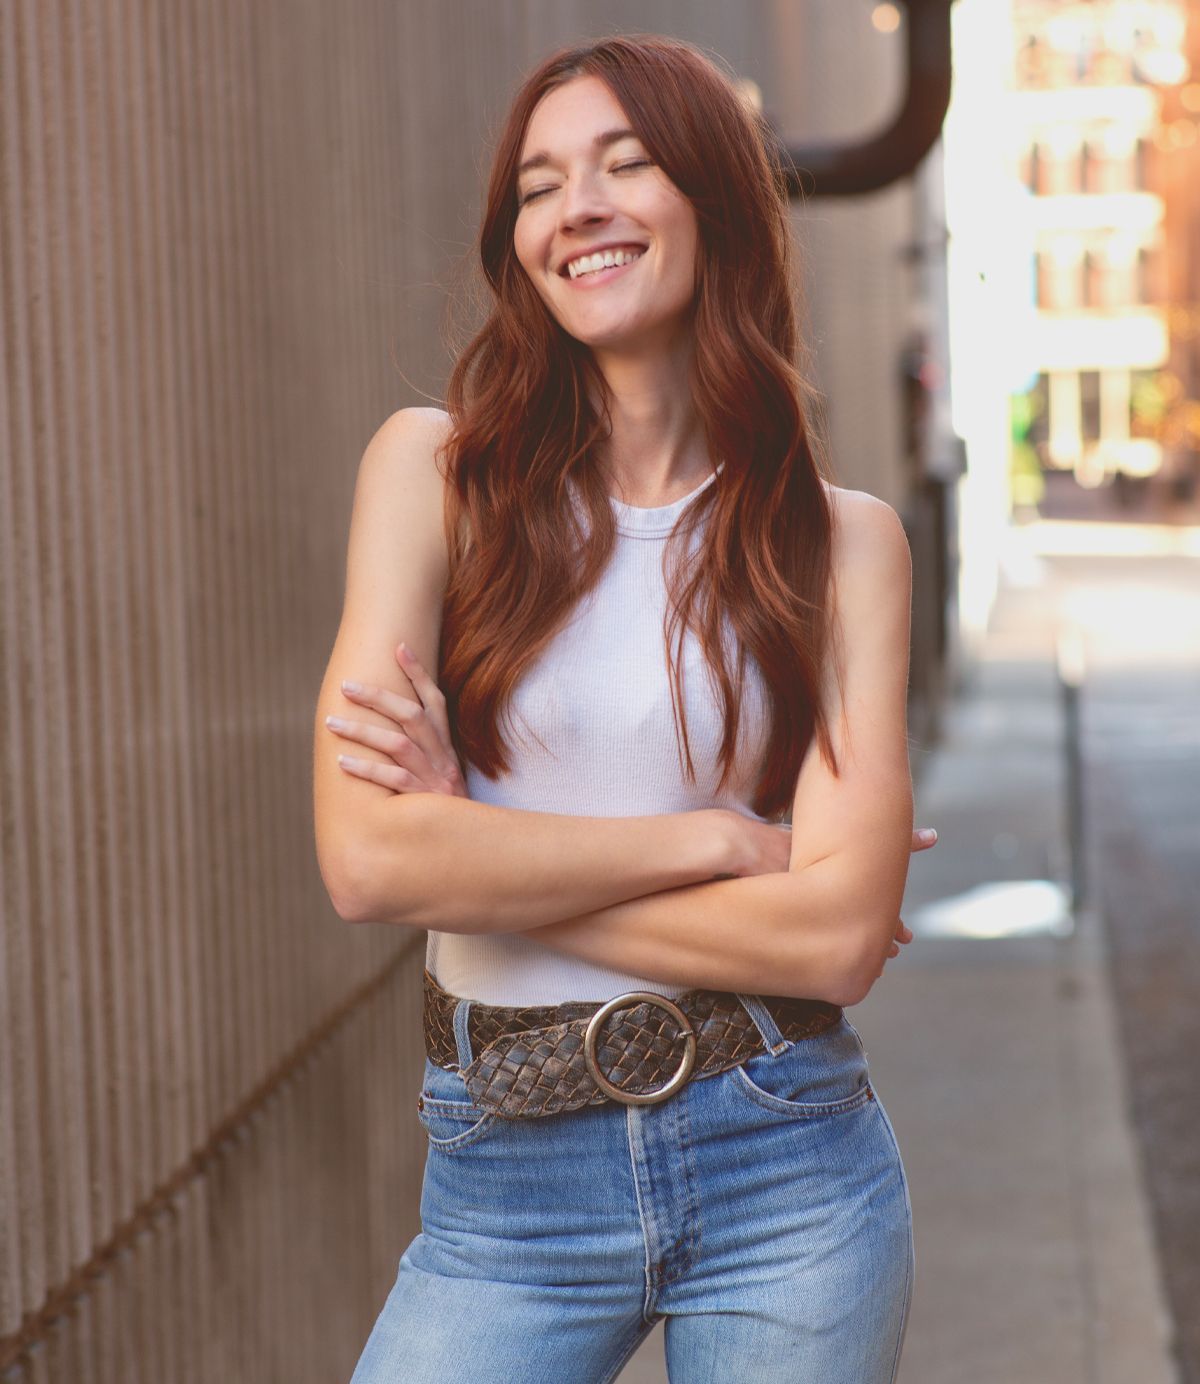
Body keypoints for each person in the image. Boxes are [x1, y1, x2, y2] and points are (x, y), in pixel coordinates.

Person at [313, 32, 937, 1384]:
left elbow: (832, 944)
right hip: (503, 1193)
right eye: (539, 184)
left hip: (786, 1161)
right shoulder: (433, 477)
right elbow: (368, 861)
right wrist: (716, 843)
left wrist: (473, 855)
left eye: (625, 163)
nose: (575, 206)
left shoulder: (845, 546)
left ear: (713, 200)